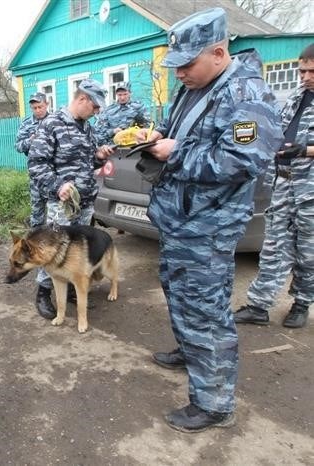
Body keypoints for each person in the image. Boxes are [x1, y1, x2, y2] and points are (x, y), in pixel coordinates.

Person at [137, 8, 283, 432]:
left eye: (186, 64)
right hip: (180, 218)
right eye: (175, 65)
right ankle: (190, 352)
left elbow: (243, 161)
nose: (179, 73)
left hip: (209, 224)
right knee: (180, 294)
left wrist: (175, 152)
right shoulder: (196, 86)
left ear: (218, 52)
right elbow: (175, 130)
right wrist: (156, 138)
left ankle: (215, 403)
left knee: (206, 309)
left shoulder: (247, 95)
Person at [233, 44, 314, 329]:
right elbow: (274, 129)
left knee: (308, 251)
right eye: (302, 70)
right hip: (284, 183)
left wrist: (306, 150)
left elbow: (303, 147)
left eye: (311, 71)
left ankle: (301, 303)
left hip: (310, 191)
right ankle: (258, 305)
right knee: (273, 246)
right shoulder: (296, 97)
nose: (304, 76)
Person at [27, 79, 114, 319]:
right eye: (95, 107)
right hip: (61, 204)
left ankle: (73, 290)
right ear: (82, 99)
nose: (97, 112)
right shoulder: (51, 124)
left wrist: (99, 156)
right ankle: (43, 292)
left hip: (84, 202)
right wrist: (58, 186)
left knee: (76, 250)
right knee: (52, 249)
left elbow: (87, 162)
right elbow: (36, 164)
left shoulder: (86, 127)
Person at [15, 92, 50, 228]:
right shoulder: (26, 124)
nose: (37, 110)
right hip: (35, 176)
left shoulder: (56, 121)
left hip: (53, 173)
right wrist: (30, 140)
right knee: (37, 211)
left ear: (47, 104)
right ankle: (35, 241)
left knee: (56, 211)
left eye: (40, 107)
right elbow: (18, 146)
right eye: (34, 108)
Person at [93, 82, 152, 146]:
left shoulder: (139, 107)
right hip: (114, 148)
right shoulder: (108, 111)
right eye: (120, 95)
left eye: (125, 94)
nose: (122, 97)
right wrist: (113, 131)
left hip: (135, 146)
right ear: (116, 94)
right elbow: (98, 133)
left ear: (130, 93)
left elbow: (148, 128)